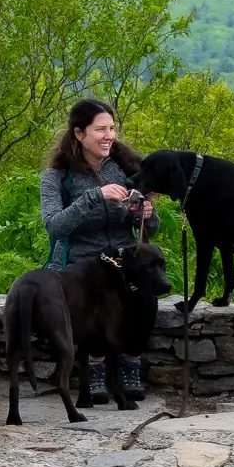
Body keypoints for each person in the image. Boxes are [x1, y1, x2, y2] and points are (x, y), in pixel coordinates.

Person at [40, 97, 160, 403]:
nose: (109, 135)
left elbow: (152, 228)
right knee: (95, 302)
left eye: (112, 128)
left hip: (123, 261)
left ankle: (130, 363)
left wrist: (145, 213)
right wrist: (94, 197)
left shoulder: (126, 169)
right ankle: (93, 368)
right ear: (79, 134)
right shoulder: (57, 177)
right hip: (82, 264)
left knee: (146, 298)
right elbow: (54, 225)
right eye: (101, 129)